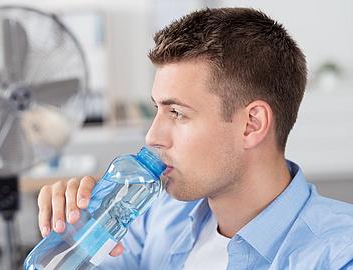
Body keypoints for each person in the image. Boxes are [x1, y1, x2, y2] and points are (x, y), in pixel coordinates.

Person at [36, 7, 353, 269]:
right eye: (157, 110)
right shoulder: (157, 219)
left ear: (251, 124)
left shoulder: (338, 255)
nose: (152, 136)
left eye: (177, 113)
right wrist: (73, 237)